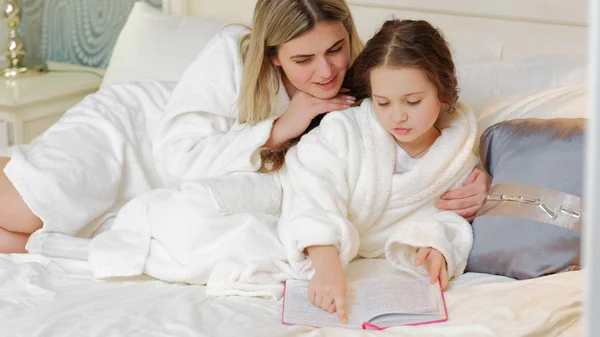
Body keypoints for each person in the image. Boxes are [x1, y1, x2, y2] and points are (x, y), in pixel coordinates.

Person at [0, 0, 488, 286]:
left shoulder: (367, 82)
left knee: (25, 243)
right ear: (273, 57)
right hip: (138, 136)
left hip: (175, 195)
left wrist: (477, 171)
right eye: (303, 59)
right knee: (25, 211)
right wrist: (280, 127)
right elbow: (176, 159)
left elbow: (421, 140)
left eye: (336, 49)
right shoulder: (234, 54)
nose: (325, 70)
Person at [278, 19, 479, 322]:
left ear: (443, 91)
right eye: (382, 102)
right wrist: (326, 264)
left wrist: (437, 245)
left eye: (413, 101)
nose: (398, 116)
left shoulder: (456, 159)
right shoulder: (344, 132)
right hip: (319, 248)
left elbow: (450, 219)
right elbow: (311, 191)